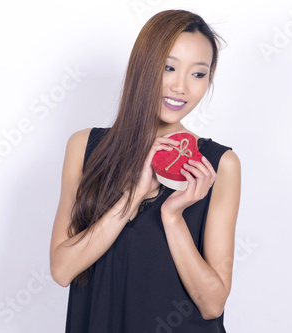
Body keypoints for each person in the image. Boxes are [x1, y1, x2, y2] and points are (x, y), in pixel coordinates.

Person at [49, 9, 241, 332]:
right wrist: (132, 198)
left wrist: (173, 217)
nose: (181, 87)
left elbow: (213, 304)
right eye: (169, 67)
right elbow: (62, 269)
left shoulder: (219, 164)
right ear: (143, 66)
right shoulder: (84, 147)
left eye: (198, 74)